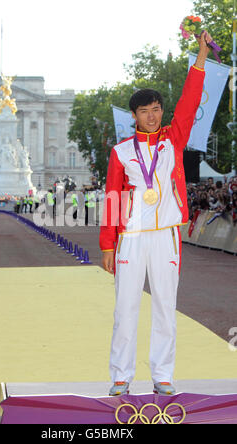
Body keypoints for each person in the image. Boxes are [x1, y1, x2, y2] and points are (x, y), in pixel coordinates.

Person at [100, 31, 213, 397]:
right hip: (130, 238)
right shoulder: (120, 152)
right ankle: (121, 375)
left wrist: (200, 55)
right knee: (126, 309)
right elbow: (112, 196)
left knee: (166, 305)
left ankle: (162, 374)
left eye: (156, 109)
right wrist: (107, 244)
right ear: (134, 116)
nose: (152, 116)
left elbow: (190, 99)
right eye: (144, 111)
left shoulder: (173, 139)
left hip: (166, 234)